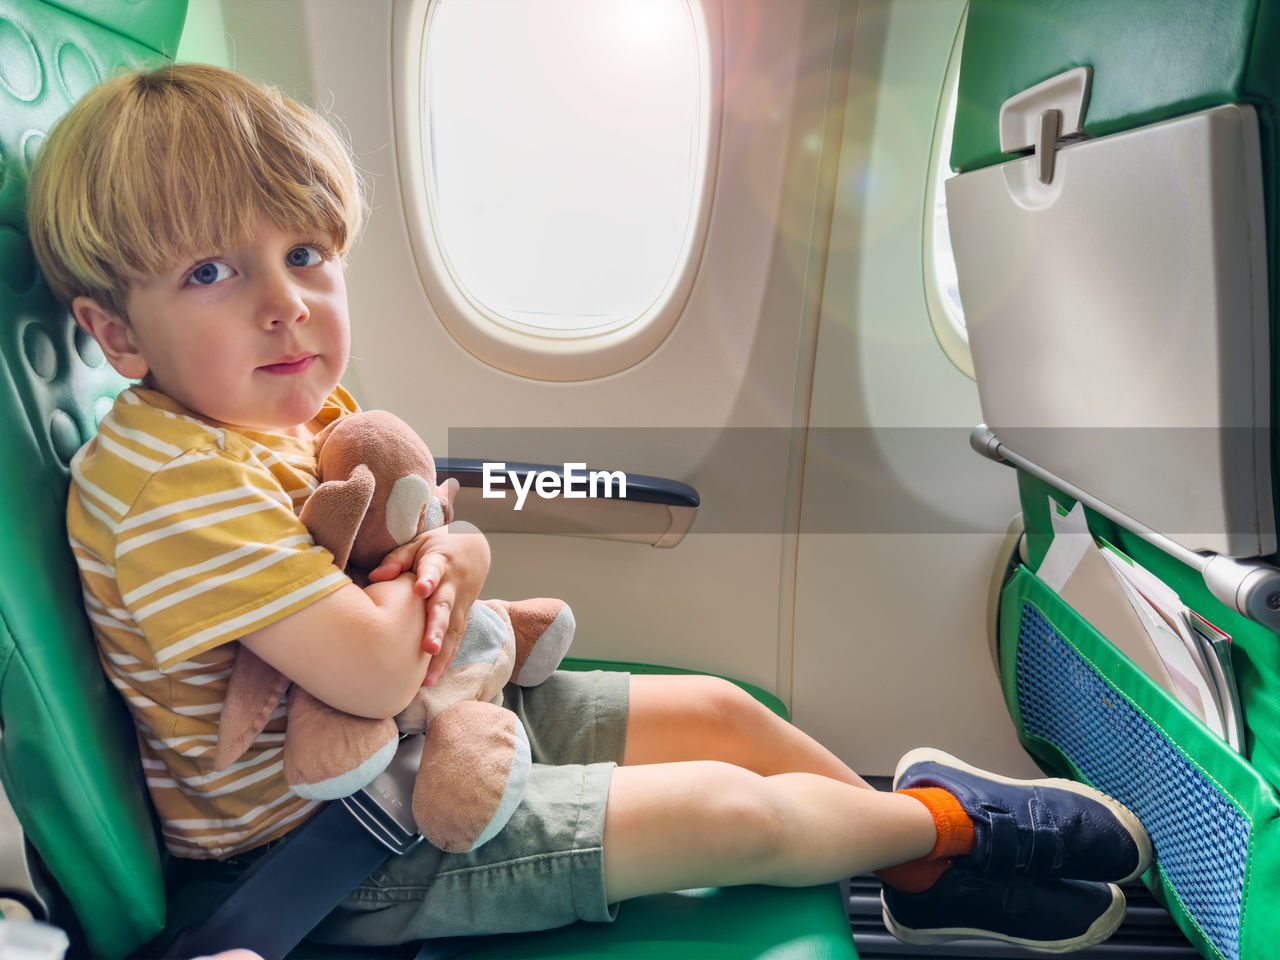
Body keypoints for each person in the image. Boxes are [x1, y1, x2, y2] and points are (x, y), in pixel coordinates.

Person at [27, 62, 1151, 954]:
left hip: (423, 729)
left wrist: (428, 572)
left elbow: (396, 574)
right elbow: (370, 669)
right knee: (728, 812)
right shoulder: (171, 491)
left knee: (717, 709)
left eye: (306, 253)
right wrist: (436, 571)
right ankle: (948, 831)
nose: (287, 307)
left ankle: (908, 872)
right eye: (213, 275)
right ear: (116, 335)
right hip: (343, 843)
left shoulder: (262, 420)